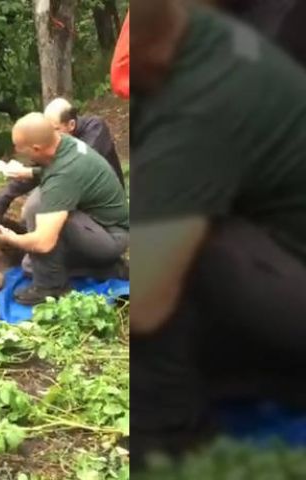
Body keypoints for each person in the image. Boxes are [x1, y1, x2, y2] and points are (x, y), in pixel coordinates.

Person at [131, 0, 306, 467]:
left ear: (147, 54)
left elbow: (144, 307)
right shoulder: (198, 29)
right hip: (274, 243)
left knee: (165, 262)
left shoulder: (204, 104)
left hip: (286, 270)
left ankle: (172, 443)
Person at [0, 113, 129, 306]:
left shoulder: (63, 176)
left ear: (36, 148)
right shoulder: (63, 143)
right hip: (96, 224)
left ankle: (51, 286)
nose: (16, 150)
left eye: (19, 147)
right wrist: (28, 172)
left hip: (111, 237)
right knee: (30, 264)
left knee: (40, 215)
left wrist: (11, 239)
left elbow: (43, 243)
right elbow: (55, 171)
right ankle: (99, 268)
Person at [0, 98, 123, 229]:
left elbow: (73, 170)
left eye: (55, 129)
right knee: (34, 208)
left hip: (102, 205)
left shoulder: (95, 129)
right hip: (72, 194)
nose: (49, 135)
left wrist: (29, 173)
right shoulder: (52, 143)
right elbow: (35, 172)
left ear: (71, 125)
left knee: (38, 206)